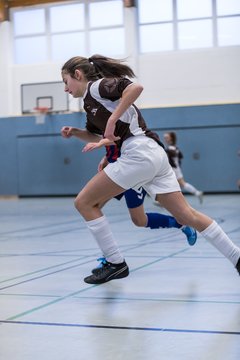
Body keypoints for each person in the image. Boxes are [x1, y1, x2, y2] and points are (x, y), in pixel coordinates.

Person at [61, 54, 240, 285]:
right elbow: (98, 135)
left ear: (78, 74)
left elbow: (135, 87)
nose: (66, 89)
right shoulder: (90, 104)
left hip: (138, 153)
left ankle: (116, 263)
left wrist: (114, 119)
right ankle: (237, 257)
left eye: (66, 82)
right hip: (153, 155)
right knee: (187, 215)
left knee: (84, 203)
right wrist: (75, 132)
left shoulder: (97, 87)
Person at [61, 130, 198, 254]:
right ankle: (110, 256)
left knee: (138, 219)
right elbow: (102, 138)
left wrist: (99, 143)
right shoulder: (97, 113)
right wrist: (76, 132)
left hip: (132, 170)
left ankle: (180, 223)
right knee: (92, 207)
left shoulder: (118, 113)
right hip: (115, 169)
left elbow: (117, 138)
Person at [164, 131, 203, 204]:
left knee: (172, 184)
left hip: (173, 170)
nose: (165, 139)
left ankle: (165, 202)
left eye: (167, 137)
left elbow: (172, 158)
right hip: (176, 169)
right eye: (165, 138)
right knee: (181, 184)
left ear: (171, 138)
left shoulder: (171, 149)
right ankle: (197, 193)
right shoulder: (174, 148)